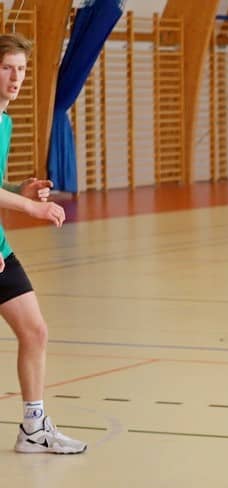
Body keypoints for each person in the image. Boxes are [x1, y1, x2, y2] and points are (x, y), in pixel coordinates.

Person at [0, 34, 85, 456]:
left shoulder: (5, 122)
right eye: (6, 68)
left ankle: (34, 428)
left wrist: (20, 190)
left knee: (34, 331)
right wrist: (33, 210)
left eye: (21, 69)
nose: (15, 78)